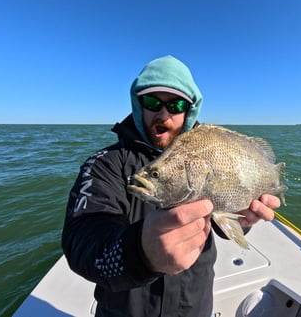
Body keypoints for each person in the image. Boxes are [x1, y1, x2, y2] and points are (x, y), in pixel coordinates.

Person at [62, 55, 280, 317]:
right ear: (138, 104)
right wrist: (139, 252)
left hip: (195, 308)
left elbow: (223, 224)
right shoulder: (104, 164)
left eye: (176, 105)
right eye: (152, 102)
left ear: (189, 111)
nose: (163, 114)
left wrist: (243, 220)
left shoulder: (201, 152)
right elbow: (81, 241)